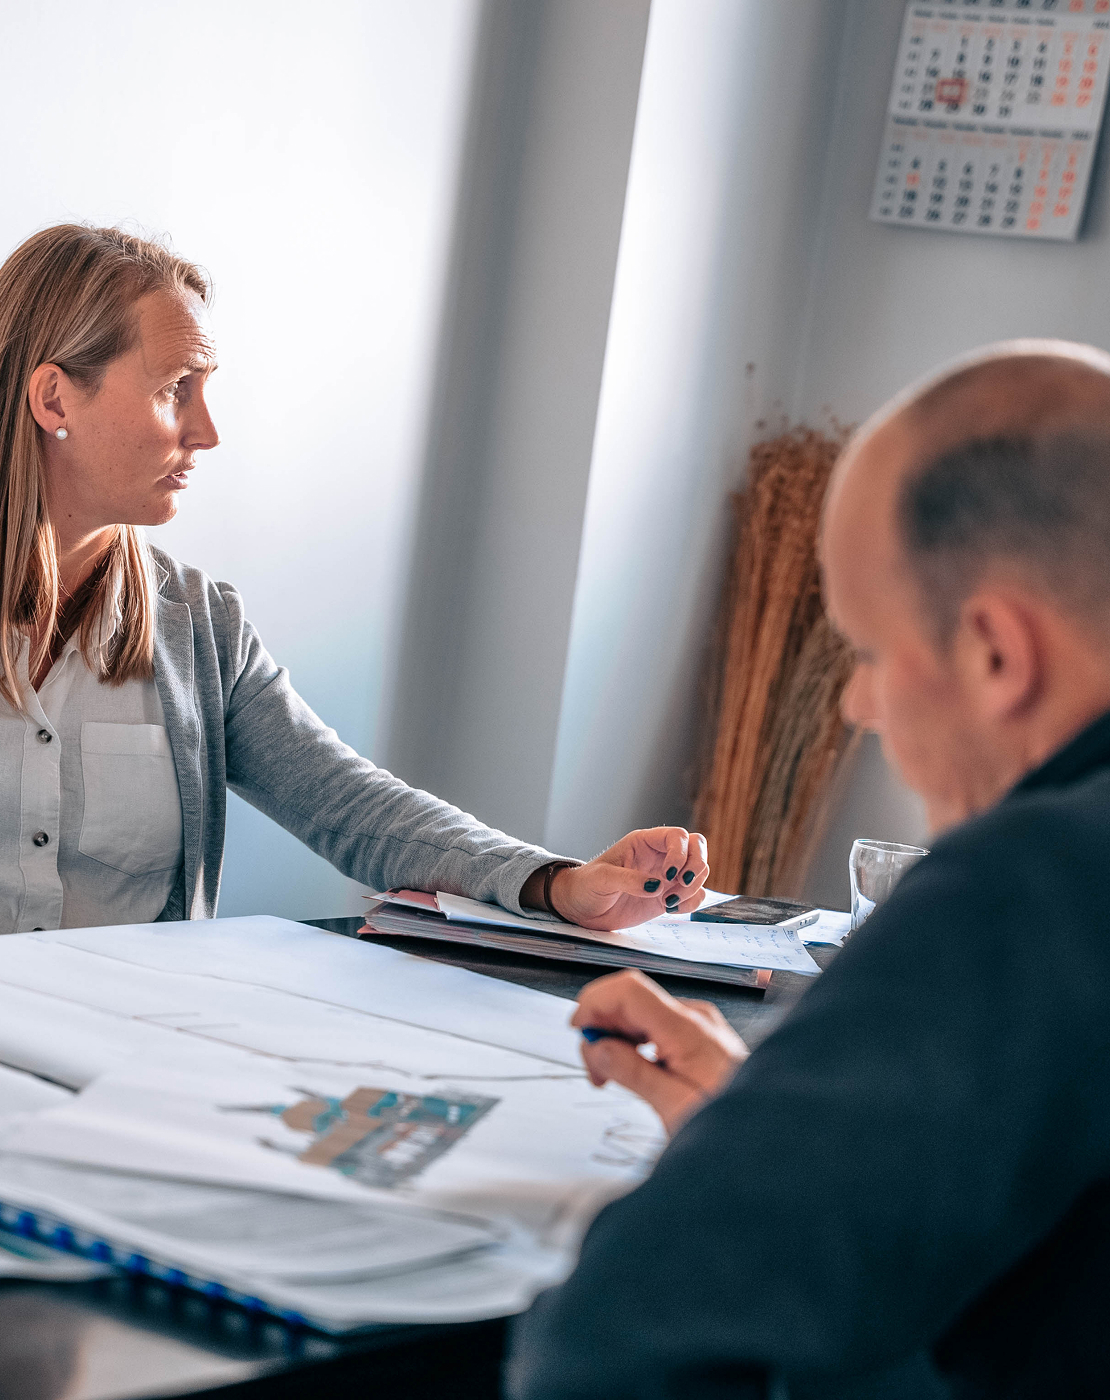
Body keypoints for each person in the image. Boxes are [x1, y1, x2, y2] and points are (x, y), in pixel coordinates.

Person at [508, 340, 1110, 1399]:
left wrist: (736, 1172)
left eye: (869, 653)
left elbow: (605, 1345)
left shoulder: (1034, 881)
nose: (854, 705)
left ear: (995, 653)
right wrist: (797, 1143)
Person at [0, 224, 709, 936]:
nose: (207, 431)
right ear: (55, 400)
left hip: (126, 1010)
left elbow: (353, 808)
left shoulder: (200, 628)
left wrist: (556, 883)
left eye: (206, 389)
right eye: (174, 389)